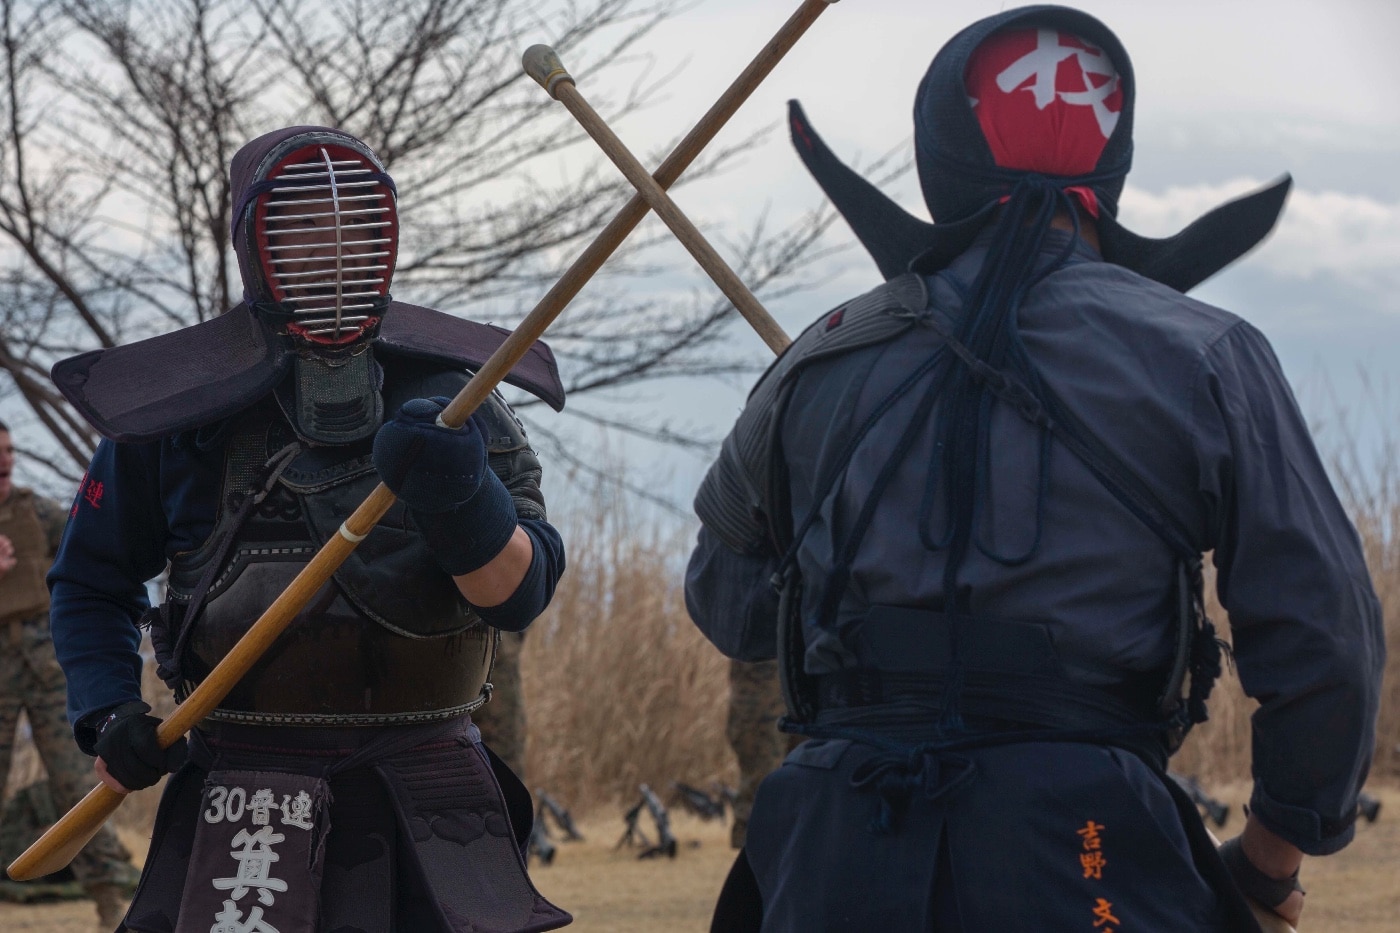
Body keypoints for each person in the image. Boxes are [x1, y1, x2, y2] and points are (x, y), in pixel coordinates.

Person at [686, 6, 1385, 932]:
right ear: (1112, 164)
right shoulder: (1209, 354)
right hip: (1089, 847)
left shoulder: (821, 357)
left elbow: (730, 608)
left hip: (836, 853)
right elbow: (1327, 640)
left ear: (938, 155)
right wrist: (1268, 866)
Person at [46, 126, 572, 933]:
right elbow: (90, 581)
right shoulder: (176, 415)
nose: (332, 248)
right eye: (301, 227)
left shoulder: (460, 395)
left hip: (426, 781)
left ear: (381, 237)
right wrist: (111, 710)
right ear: (259, 245)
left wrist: (462, 494)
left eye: (352, 227)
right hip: (243, 779)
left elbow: (520, 592)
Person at [0, 421, 137, 930]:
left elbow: (89, 570)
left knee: (77, 786)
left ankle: (109, 908)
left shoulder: (42, 513)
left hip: (44, 666)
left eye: (10, 451)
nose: (5, 461)